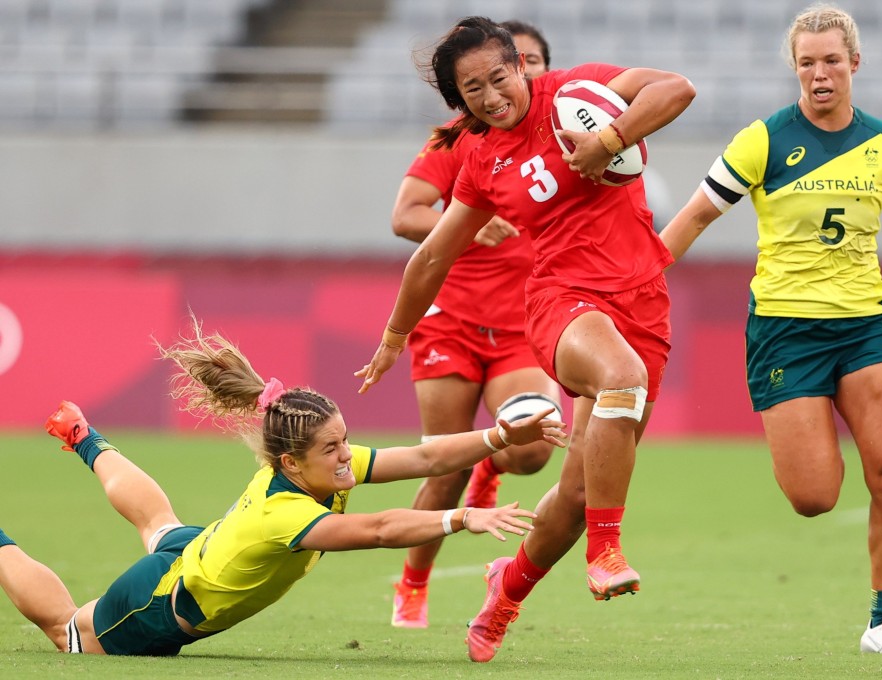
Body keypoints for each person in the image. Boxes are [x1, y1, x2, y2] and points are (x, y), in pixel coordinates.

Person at [659, 3, 882, 656]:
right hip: (785, 332)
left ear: (854, 62)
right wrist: (637, 279)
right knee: (815, 496)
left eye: (830, 61)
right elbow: (692, 218)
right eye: (806, 64)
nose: (819, 74)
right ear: (794, 69)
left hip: (864, 328)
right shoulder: (762, 140)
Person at [356, 16, 695, 662]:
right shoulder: (480, 161)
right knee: (623, 380)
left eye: (497, 76)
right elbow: (430, 254)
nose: (490, 95)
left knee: (571, 497)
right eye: (472, 89)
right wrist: (395, 334)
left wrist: (611, 140)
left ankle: (502, 596)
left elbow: (677, 89)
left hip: (642, 305)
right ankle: (607, 550)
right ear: (459, 102)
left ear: (521, 66)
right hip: (561, 304)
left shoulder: (579, 93)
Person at [0, 319, 565, 656]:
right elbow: (377, 528)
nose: (347, 457)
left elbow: (421, 455)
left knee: (160, 527)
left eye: (345, 440)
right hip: (161, 603)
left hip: (202, 551)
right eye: (332, 449)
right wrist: (461, 518)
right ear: (292, 463)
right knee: (65, 631)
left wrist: (497, 435)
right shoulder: (285, 512)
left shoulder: (318, 467)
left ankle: (84, 438)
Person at [388, 19, 562, 631]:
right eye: (478, 82)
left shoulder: (569, 132)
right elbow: (406, 215)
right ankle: (412, 582)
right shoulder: (454, 139)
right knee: (443, 466)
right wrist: (462, 227)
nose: (523, 75)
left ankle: (491, 463)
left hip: (525, 322)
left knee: (535, 446)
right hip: (451, 323)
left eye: (532, 62)